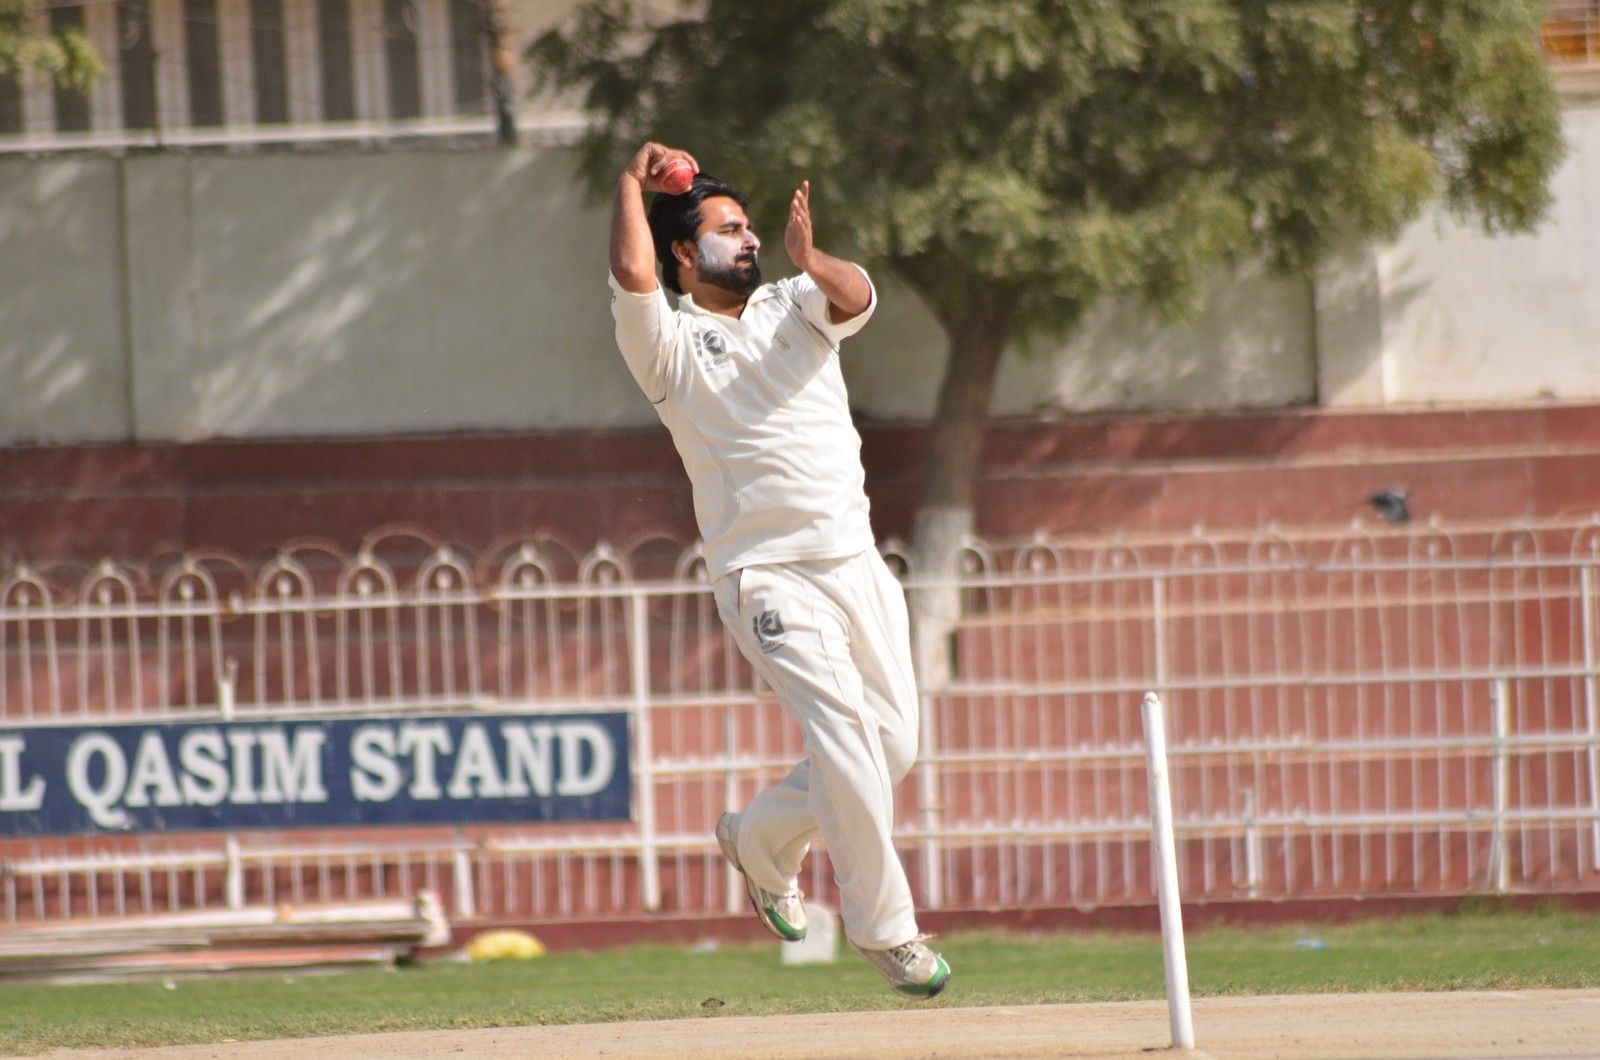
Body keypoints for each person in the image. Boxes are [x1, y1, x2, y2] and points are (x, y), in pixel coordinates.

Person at [606, 141, 951, 999]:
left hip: (854, 557)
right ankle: (886, 932)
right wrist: (631, 182)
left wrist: (812, 256)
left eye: (750, 225)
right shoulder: (667, 347)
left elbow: (857, 294)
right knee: (844, 735)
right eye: (729, 229)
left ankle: (759, 841)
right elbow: (632, 272)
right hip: (766, 575)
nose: (750, 238)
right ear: (685, 252)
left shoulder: (795, 301)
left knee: (892, 747)